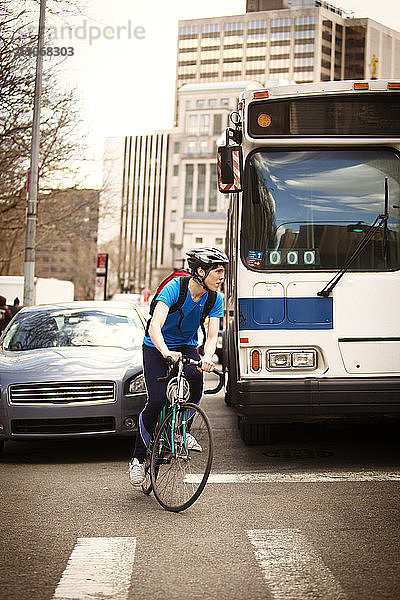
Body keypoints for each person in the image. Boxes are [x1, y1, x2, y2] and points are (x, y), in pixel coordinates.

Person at [128, 247, 228, 486]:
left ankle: (180, 431)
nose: (222, 277)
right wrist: (165, 353)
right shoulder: (174, 289)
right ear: (200, 271)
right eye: (218, 271)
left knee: (196, 382)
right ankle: (137, 460)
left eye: (223, 271)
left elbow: (213, 335)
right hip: (156, 345)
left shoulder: (215, 298)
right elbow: (155, 326)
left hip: (185, 345)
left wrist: (208, 357)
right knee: (157, 400)